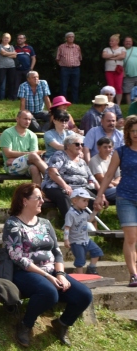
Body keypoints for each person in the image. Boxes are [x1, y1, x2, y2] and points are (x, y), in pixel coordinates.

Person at [4, 183, 93, 347]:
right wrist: (47, 276)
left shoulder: (45, 223)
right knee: (49, 292)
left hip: (51, 270)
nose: (42, 201)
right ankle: (25, 324)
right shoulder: (13, 224)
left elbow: (57, 252)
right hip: (25, 272)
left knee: (84, 295)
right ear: (24, 201)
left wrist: (60, 274)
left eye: (42, 198)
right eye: (38, 198)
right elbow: (17, 257)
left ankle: (62, 324)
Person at [95, 116, 137, 286]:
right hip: (126, 196)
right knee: (131, 238)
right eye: (132, 131)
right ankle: (133, 274)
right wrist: (100, 194)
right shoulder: (121, 151)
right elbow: (109, 175)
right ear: (127, 132)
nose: (136, 134)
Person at [42, 133, 99, 219]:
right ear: (68, 146)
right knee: (65, 197)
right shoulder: (60, 155)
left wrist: (101, 194)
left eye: (82, 144)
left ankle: (90, 225)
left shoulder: (82, 161)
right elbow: (52, 171)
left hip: (79, 188)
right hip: (57, 187)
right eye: (77, 144)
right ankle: (71, 223)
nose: (80, 146)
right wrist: (65, 186)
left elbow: (91, 177)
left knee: (93, 199)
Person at [0, 110, 48, 184]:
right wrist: (29, 155)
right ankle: (51, 177)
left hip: (28, 164)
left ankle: (38, 193)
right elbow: (8, 154)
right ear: (17, 119)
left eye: (29, 119)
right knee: (33, 155)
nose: (28, 122)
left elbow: (34, 156)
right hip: (11, 166)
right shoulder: (7, 133)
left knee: (34, 168)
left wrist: (27, 156)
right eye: (25, 119)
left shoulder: (32, 135)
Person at [63, 189, 104, 275]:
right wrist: (66, 240)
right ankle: (80, 276)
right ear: (74, 200)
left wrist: (95, 211)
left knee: (97, 252)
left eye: (87, 201)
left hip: (86, 240)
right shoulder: (70, 214)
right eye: (84, 200)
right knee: (80, 259)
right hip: (76, 242)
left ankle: (91, 268)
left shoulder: (84, 212)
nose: (86, 203)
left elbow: (89, 220)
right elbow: (67, 228)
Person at [89, 136, 119, 205]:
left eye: (110, 147)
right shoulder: (94, 160)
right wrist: (114, 184)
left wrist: (114, 183)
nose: (108, 149)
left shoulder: (113, 158)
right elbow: (101, 178)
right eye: (105, 147)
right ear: (99, 148)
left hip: (113, 186)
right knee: (125, 191)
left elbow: (119, 176)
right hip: (103, 189)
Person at [56, 32, 83, 103]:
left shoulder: (77, 47)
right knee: (63, 86)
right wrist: (62, 64)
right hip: (65, 69)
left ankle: (75, 102)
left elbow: (80, 58)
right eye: (69, 37)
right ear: (66, 38)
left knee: (75, 86)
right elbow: (57, 58)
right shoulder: (61, 47)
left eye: (72, 37)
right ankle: (63, 102)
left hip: (76, 69)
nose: (71, 38)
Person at [102, 34, 126, 104]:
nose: (110, 42)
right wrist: (115, 55)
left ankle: (118, 103)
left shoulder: (122, 48)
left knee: (118, 86)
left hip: (118, 70)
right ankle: (111, 102)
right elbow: (104, 55)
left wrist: (110, 58)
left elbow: (122, 56)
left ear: (117, 42)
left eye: (112, 41)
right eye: (110, 41)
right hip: (109, 70)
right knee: (110, 86)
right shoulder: (106, 49)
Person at [13, 34, 37, 98]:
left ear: (24, 39)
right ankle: (14, 98)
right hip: (17, 69)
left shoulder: (29, 48)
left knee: (28, 84)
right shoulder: (14, 48)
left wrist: (31, 68)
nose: (19, 40)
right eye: (18, 38)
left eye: (21, 38)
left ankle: (28, 97)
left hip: (27, 69)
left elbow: (33, 58)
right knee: (16, 84)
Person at [0, 33, 18, 100]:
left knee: (11, 82)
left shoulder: (11, 46)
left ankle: (10, 97)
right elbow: (3, 53)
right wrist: (11, 53)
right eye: (5, 38)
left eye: (8, 38)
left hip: (12, 66)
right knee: (0, 81)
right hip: (2, 66)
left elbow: (15, 56)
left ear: (10, 39)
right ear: (2, 38)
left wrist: (6, 54)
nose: (6, 39)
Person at [124, 36, 137, 105]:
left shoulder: (136, 49)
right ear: (124, 42)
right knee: (128, 91)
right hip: (128, 74)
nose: (128, 42)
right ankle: (130, 106)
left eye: (129, 41)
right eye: (126, 41)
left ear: (132, 42)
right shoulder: (121, 50)